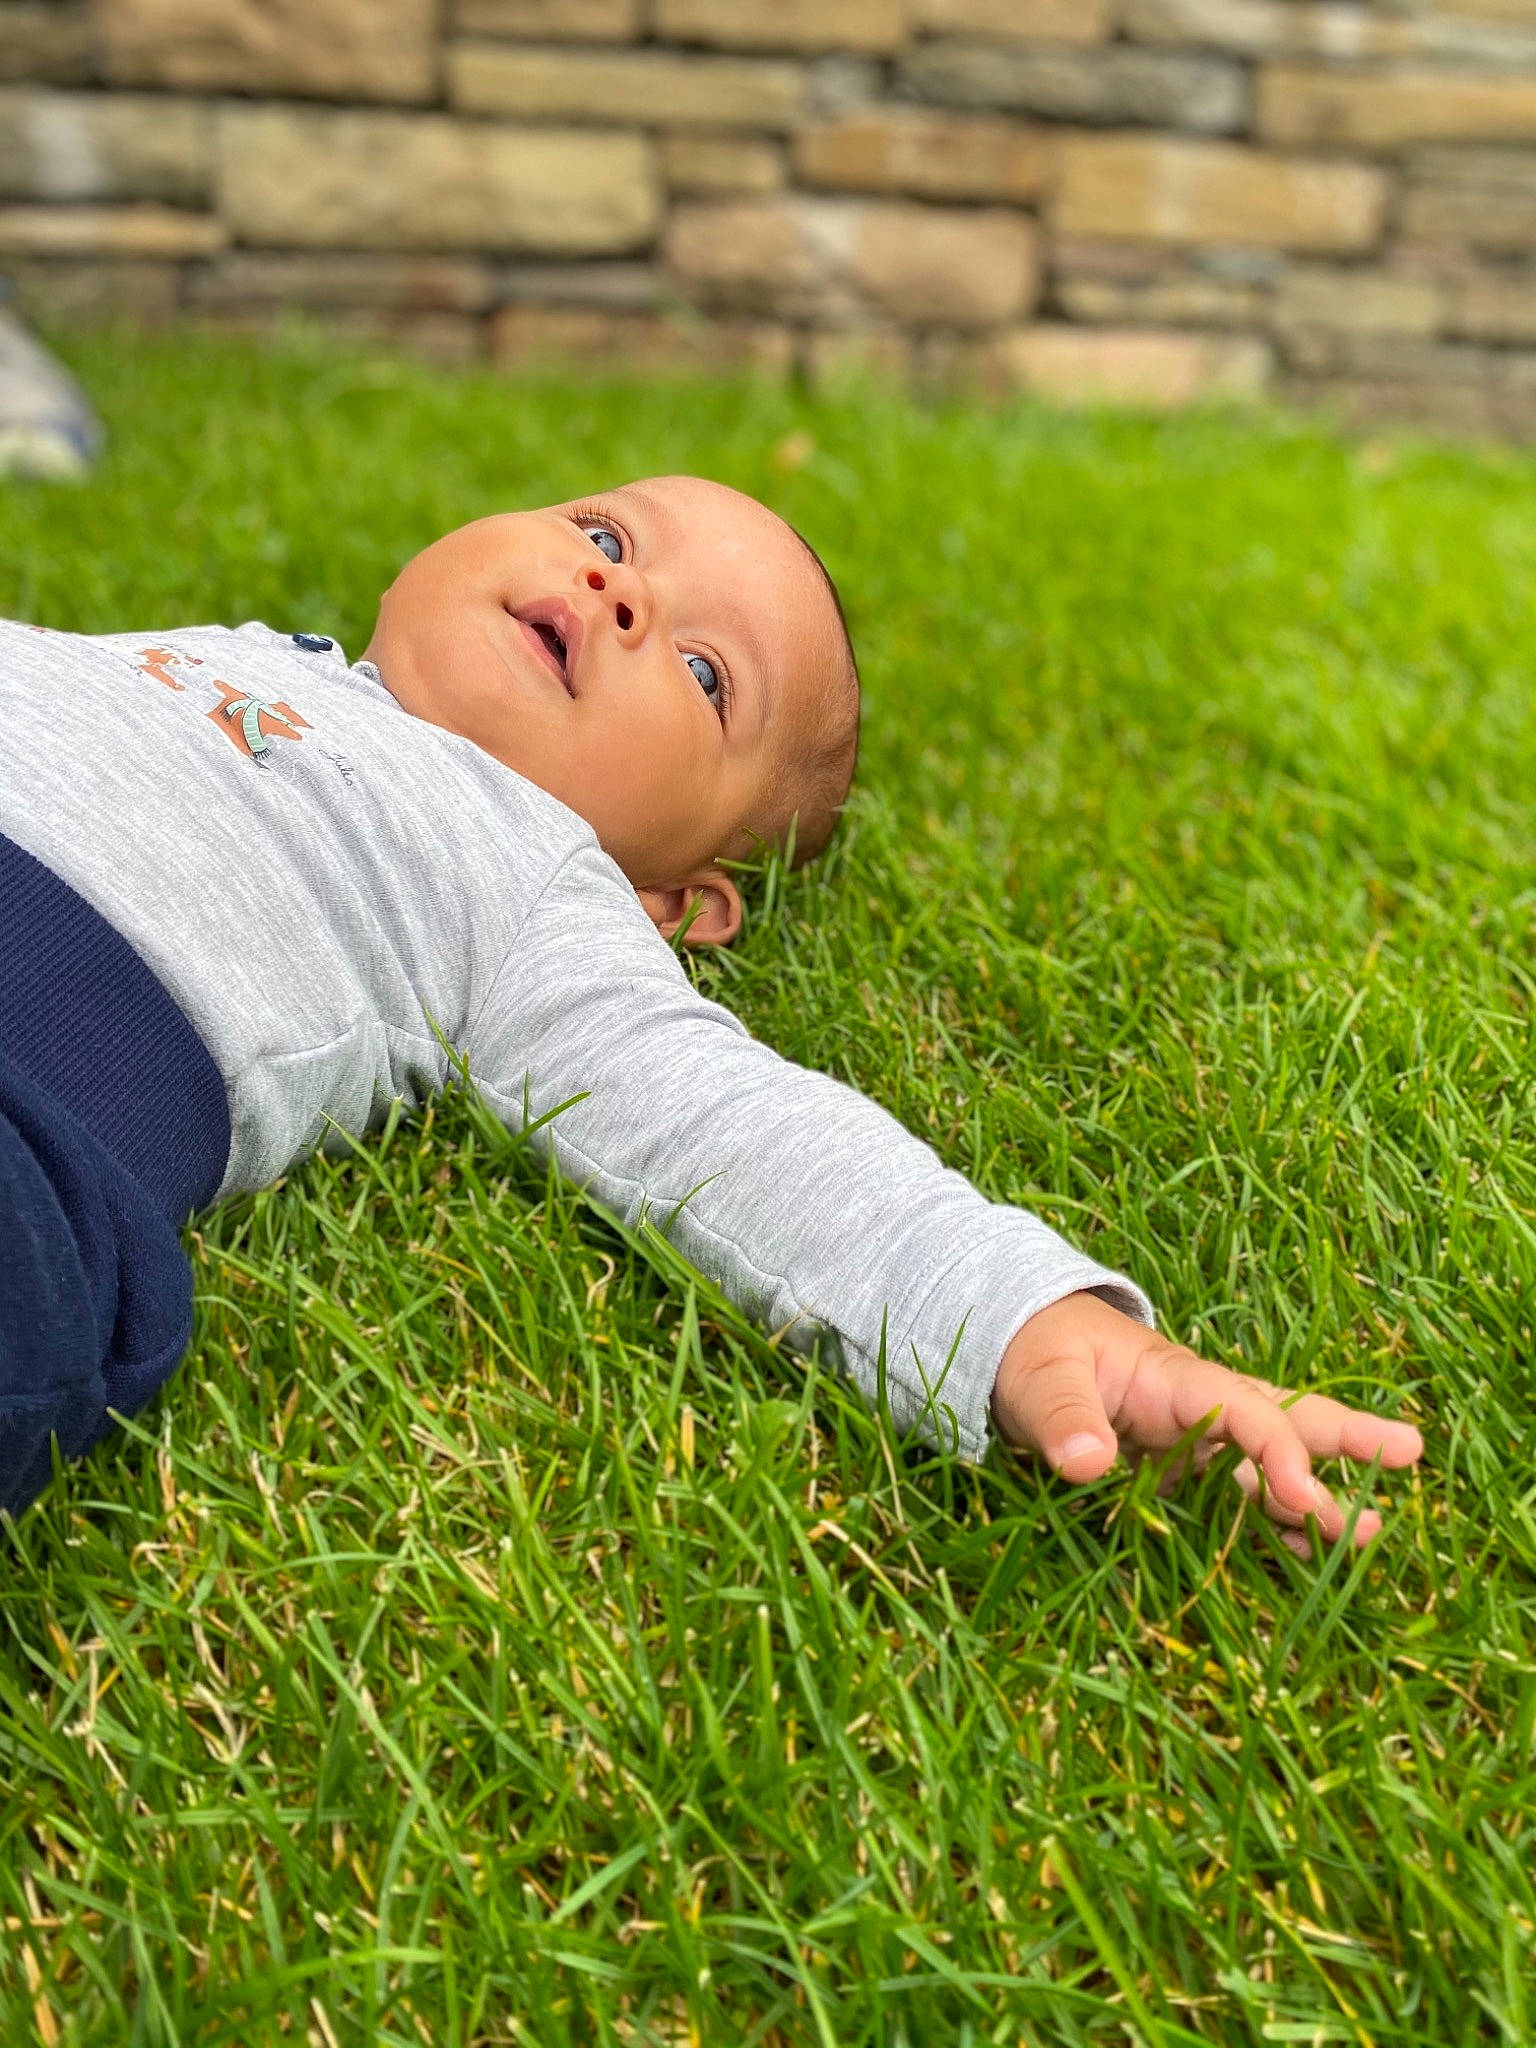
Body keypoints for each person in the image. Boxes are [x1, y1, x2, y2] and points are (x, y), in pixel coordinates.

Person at [0, 476, 1422, 1540]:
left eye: (702, 673)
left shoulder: (535, 883)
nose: (619, 591)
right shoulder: (244, 656)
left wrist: (1034, 1321)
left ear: (672, 905)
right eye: (608, 535)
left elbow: (747, 1135)